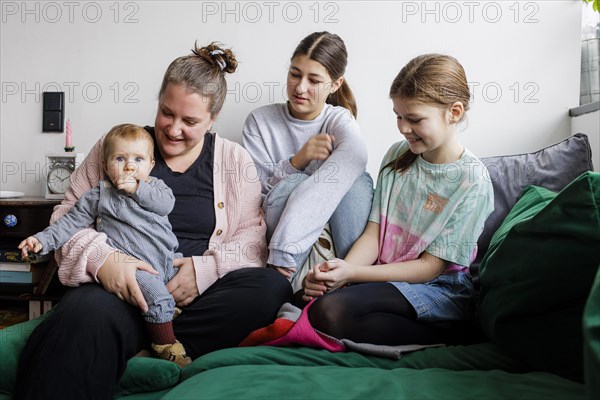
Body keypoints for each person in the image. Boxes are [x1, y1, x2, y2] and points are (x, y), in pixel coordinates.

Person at [16, 42, 292, 399]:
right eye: (166, 113)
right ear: (159, 100)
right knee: (83, 314)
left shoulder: (233, 159)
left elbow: (253, 241)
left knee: (271, 288)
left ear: (212, 121)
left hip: (196, 300)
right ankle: (146, 341)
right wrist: (107, 263)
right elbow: (68, 217)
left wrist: (202, 271)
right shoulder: (115, 148)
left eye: (190, 121)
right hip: (121, 292)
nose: (174, 129)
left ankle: (154, 347)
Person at [302, 54, 494, 345]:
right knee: (322, 305)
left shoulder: (473, 181)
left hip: (438, 288)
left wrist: (355, 273)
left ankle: (453, 335)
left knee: (331, 311)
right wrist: (340, 272)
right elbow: (374, 233)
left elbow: (430, 267)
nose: (403, 128)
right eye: (398, 116)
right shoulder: (397, 155)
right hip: (388, 278)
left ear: (453, 112)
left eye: (414, 119)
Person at [19, 123, 192, 367]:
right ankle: (166, 348)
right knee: (159, 299)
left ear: (151, 165)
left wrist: (137, 189)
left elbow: (165, 206)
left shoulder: (156, 188)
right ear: (105, 165)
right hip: (136, 269)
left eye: (138, 159)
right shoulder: (99, 195)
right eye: (120, 158)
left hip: (167, 261)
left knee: (190, 295)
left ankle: (149, 328)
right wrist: (42, 239)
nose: (130, 166)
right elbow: (69, 224)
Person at [242, 31, 373, 290]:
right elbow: (252, 199)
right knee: (294, 183)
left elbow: (356, 157)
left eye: (314, 80)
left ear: (335, 84)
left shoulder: (338, 120)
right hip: (279, 244)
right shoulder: (260, 121)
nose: (300, 88)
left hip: (324, 236)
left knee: (358, 182)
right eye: (294, 74)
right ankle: (283, 283)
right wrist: (297, 162)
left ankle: (345, 283)